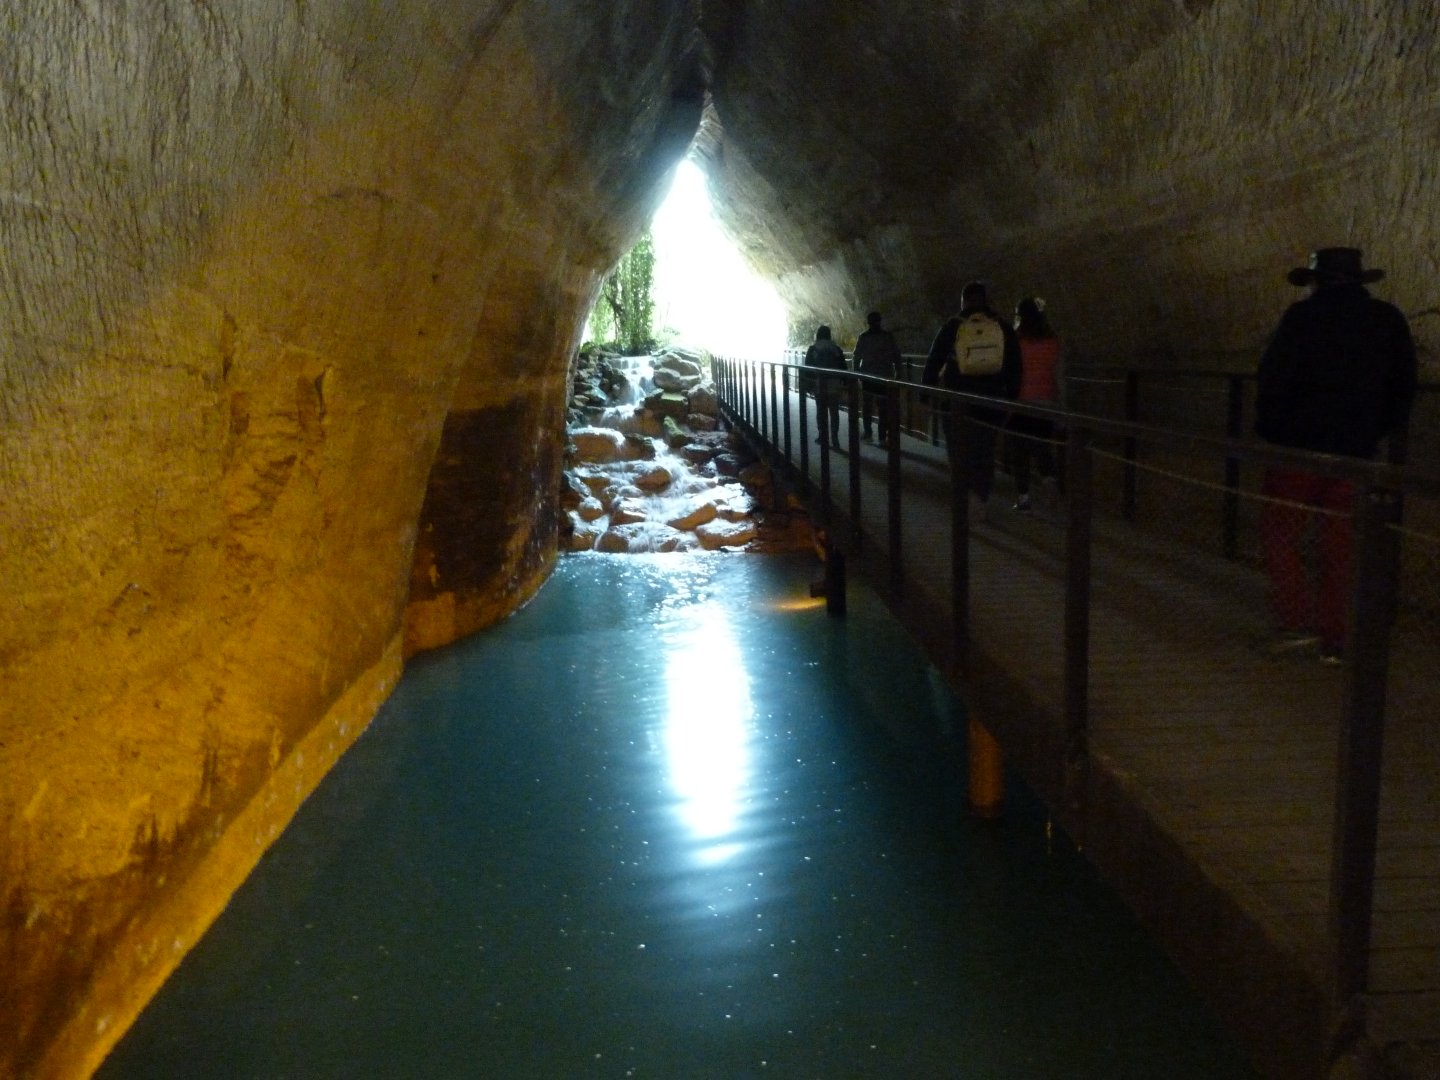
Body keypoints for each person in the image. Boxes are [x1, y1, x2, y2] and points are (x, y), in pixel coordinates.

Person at [1255, 247, 1417, 665]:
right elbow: (1403, 387)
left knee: (1282, 536)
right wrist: (1375, 430)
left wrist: (1272, 431)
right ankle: (1337, 639)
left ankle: (1296, 625)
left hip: (1298, 452)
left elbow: (1273, 378)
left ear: (1317, 281)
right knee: (1341, 544)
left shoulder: (1301, 319)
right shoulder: (1388, 320)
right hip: (1355, 453)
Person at [922, 281, 1022, 517]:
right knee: (985, 450)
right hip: (991, 399)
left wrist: (925, 392)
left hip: (956, 399)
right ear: (985, 300)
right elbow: (1014, 365)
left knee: (958, 450)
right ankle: (981, 499)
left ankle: (963, 496)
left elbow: (934, 359)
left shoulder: (953, 326)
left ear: (964, 301)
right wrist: (1011, 398)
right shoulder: (1003, 327)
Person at [1008, 297, 1062, 512]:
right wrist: (1061, 409)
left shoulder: (1015, 342)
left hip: (1020, 404)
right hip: (1045, 403)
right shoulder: (1053, 342)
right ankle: (1049, 481)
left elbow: (1010, 374)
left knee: (1019, 452)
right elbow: (1059, 377)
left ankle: (1024, 498)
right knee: (1042, 448)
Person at [850, 310, 902, 443]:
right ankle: (882, 435)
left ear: (868, 323)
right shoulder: (887, 336)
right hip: (884, 375)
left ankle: (868, 432)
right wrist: (899, 372)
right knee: (883, 406)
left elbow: (856, 356)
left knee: (867, 405)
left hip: (868, 376)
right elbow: (896, 355)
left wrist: (856, 374)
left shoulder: (864, 337)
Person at [803, 324, 847, 447]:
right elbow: (843, 367)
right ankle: (835, 438)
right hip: (834, 383)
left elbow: (808, 369)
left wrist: (809, 385)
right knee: (834, 412)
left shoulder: (813, 349)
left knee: (821, 411)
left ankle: (823, 436)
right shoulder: (836, 349)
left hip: (820, 383)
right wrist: (844, 382)